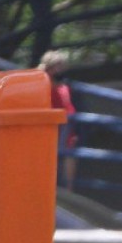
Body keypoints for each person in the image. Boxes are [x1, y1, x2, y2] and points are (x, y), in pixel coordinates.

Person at [39, 50, 79, 191]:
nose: (62, 70)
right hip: (52, 129)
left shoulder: (63, 87)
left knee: (69, 154)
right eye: (59, 66)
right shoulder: (42, 86)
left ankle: (68, 189)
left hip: (67, 128)